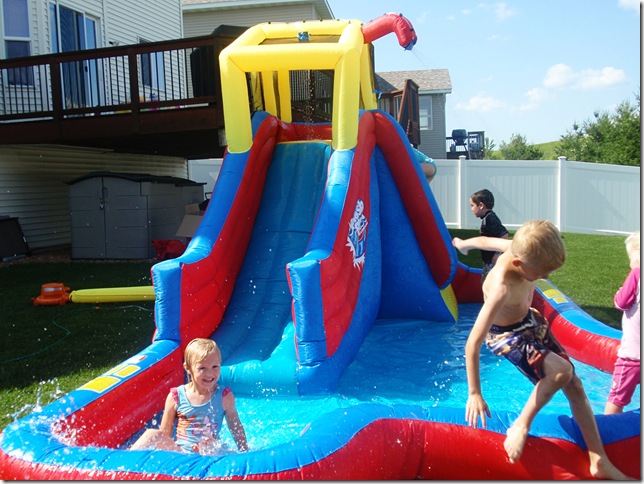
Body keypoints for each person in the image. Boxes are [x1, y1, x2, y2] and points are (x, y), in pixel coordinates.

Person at [452, 220, 631, 479]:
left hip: (529, 322)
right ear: (518, 263)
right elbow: (473, 343)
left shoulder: (516, 248)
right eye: (541, 273)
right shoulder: (502, 287)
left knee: (575, 384)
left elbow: (484, 242)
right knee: (561, 372)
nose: (546, 277)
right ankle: (520, 426)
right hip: (507, 335)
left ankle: (598, 460)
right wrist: (474, 393)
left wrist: (463, 244)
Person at [131, 338, 248, 454]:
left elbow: (236, 427)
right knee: (151, 434)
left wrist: (244, 452)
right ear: (188, 368)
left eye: (215, 367)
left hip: (209, 455)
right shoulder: (176, 397)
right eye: (202, 368)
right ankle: (125, 463)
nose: (210, 373)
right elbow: (165, 435)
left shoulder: (224, 397)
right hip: (182, 454)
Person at [605, 231, 640, 415]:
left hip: (632, 356)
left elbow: (621, 303)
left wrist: (620, 292)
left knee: (617, 398)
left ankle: (606, 428)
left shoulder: (637, 274)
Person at [468, 189, 508, 282]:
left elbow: (504, 234)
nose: (471, 209)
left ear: (481, 205)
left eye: (472, 205)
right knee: (486, 282)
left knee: (489, 283)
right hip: (488, 261)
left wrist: (497, 254)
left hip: (492, 262)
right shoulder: (487, 218)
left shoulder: (490, 219)